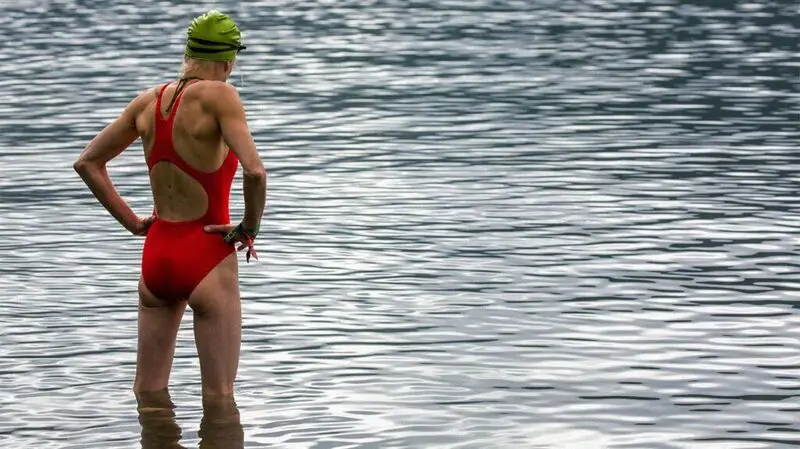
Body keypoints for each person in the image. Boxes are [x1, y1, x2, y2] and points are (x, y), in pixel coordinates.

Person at [73, 10, 266, 401]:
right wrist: (248, 228)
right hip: (207, 255)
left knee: (148, 391)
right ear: (229, 61)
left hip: (157, 253)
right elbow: (256, 172)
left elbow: (88, 163)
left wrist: (132, 222)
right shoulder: (221, 95)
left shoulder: (147, 102)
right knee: (219, 399)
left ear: (188, 53)